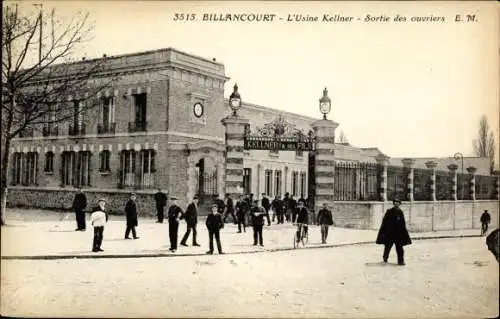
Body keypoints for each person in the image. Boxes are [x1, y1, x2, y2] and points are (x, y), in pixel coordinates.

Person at [376, 198, 412, 265]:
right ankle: (385, 258)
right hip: (390, 233)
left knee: (400, 248)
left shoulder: (400, 212)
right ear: (393, 203)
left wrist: (403, 233)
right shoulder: (389, 211)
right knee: (388, 247)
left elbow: (403, 223)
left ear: (400, 204)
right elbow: (385, 222)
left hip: (398, 234)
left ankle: (401, 261)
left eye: (398, 202)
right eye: (395, 202)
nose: (396, 203)